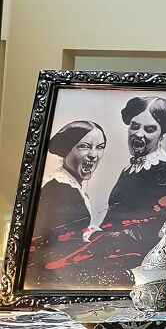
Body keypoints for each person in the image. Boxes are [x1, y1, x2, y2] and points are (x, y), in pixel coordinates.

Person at [95, 96, 166, 285]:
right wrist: (96, 231)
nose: (139, 134)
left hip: (135, 264)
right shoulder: (130, 169)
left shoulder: (162, 173)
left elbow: (149, 231)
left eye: (149, 129)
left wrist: (99, 238)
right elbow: (114, 216)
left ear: (161, 135)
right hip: (112, 252)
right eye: (135, 126)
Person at [25, 120, 106, 289]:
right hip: (52, 278)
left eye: (100, 147)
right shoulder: (60, 188)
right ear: (67, 149)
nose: (93, 155)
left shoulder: (70, 186)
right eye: (84, 146)